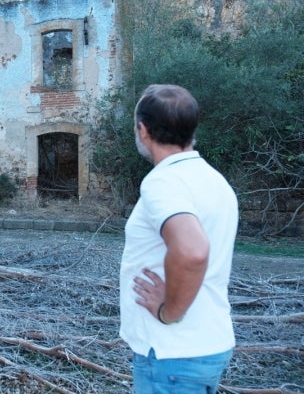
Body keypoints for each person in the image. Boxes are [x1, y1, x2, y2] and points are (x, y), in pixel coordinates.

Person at [119, 84, 238, 393]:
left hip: (171, 354)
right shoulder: (214, 180)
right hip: (205, 345)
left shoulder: (163, 183)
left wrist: (168, 311)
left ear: (143, 131)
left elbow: (193, 251)